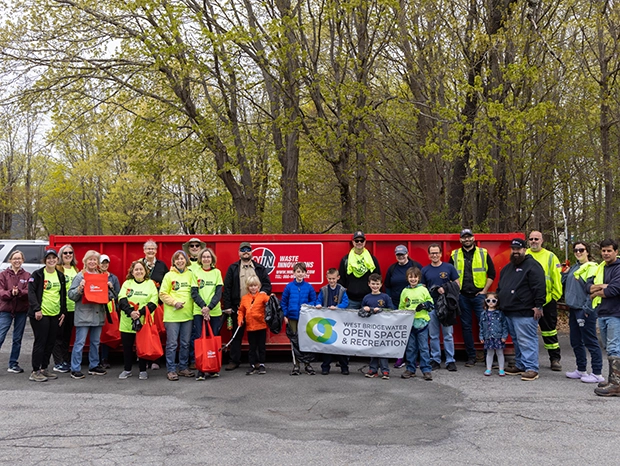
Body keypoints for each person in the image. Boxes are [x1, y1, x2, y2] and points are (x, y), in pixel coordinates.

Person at [498, 238, 546, 381]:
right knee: (517, 341)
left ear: (525, 249)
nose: (516, 252)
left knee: (527, 340)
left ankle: (532, 368)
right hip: (509, 310)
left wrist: (539, 305)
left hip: (525, 311)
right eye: (513, 249)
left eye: (518, 249)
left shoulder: (532, 266)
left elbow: (539, 287)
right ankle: (520, 365)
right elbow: (501, 287)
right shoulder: (508, 268)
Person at [222, 241, 272, 371]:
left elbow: (267, 284)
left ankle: (256, 362)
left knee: (255, 338)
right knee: (236, 335)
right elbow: (227, 288)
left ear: (251, 252)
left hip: (257, 310)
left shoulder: (259, 268)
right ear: (239, 253)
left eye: (248, 249)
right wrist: (227, 306)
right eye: (243, 249)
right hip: (238, 307)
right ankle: (234, 360)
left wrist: (262, 293)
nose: (245, 252)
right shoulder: (233, 268)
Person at [449, 229, 496, 367]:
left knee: (486, 325)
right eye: (464, 237)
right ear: (460, 240)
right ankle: (471, 357)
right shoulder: (454, 254)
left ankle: (489, 356)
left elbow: (492, 273)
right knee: (466, 326)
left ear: (473, 238)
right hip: (462, 296)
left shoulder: (483, 253)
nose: (467, 239)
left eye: (469, 237)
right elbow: (449, 275)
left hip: (479, 296)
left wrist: (484, 291)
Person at [69, 250, 115, 379]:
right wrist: (79, 289)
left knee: (95, 342)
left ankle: (94, 365)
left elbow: (111, 296)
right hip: (83, 315)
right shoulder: (80, 276)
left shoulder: (103, 276)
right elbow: (71, 295)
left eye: (95, 260)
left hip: (98, 314)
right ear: (85, 261)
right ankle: (75, 368)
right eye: (90, 259)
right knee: (80, 343)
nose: (92, 262)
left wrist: (109, 288)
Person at [562, 242, 602, 383]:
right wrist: (565, 274)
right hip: (573, 308)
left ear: (587, 251)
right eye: (576, 250)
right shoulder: (575, 267)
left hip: (584, 309)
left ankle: (597, 373)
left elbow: (594, 290)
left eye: (581, 250)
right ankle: (581, 369)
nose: (578, 252)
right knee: (575, 341)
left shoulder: (592, 267)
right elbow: (566, 285)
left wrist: (588, 308)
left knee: (590, 340)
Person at [27, 249, 67, 382]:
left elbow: (62, 295)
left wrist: (63, 312)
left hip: (55, 314)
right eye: (48, 258)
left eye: (53, 258)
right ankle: (35, 371)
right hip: (41, 314)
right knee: (41, 342)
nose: (51, 260)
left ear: (57, 260)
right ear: (45, 260)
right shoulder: (38, 274)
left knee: (51, 342)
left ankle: (44, 368)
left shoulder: (60, 275)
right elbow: (31, 293)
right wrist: (37, 309)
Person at [587, 239, 620, 396]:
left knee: (614, 347)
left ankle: (616, 384)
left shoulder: (618, 268)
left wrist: (597, 291)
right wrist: (600, 288)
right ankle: (613, 378)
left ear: (616, 252)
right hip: (603, 312)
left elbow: (613, 290)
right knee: (608, 347)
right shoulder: (600, 268)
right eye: (603, 251)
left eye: (609, 251)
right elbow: (588, 285)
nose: (606, 253)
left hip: (616, 313)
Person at [526, 230, 563, 371]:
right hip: (528, 302)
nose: (534, 241)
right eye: (531, 239)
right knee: (527, 333)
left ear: (542, 240)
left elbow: (557, 278)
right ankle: (528, 361)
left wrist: (555, 296)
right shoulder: (525, 255)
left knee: (550, 331)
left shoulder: (550, 256)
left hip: (547, 301)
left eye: (537, 239)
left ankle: (555, 359)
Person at [117, 260, 158, 380]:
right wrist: (131, 312)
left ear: (145, 271)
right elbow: (121, 299)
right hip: (127, 322)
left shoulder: (150, 284)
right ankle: (127, 369)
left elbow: (154, 302)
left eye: (141, 269)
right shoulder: (127, 283)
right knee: (127, 347)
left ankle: (143, 370)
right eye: (136, 269)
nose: (139, 271)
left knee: (142, 347)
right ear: (132, 271)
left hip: (143, 322)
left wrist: (140, 313)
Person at [421, 243, 459, 371]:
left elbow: (457, 284)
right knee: (433, 335)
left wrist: (446, 289)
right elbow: (422, 288)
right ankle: (435, 359)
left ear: (441, 254)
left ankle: (450, 360)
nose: (434, 255)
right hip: (432, 306)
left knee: (448, 334)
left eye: (436, 252)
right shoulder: (425, 270)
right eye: (432, 253)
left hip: (447, 306)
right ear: (429, 255)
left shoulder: (449, 267)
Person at [159, 250, 195, 381]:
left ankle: (183, 367)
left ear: (186, 260)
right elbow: (162, 294)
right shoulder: (169, 276)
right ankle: (171, 369)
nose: (180, 261)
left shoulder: (191, 275)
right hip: (172, 316)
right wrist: (174, 303)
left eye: (182, 258)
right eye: (177, 259)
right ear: (173, 262)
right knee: (172, 344)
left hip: (188, 315)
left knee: (185, 343)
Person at [384, 244, 422, 369]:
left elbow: (422, 283)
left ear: (407, 254)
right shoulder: (392, 269)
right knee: (399, 333)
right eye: (398, 255)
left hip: (413, 305)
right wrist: (389, 299)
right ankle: (399, 357)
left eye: (402, 254)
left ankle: (413, 359)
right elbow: (387, 285)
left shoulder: (415, 266)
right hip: (396, 304)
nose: (400, 256)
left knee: (413, 333)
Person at [191, 247, 224, 380]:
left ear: (212, 259)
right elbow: (194, 293)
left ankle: (213, 368)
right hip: (199, 312)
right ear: (200, 259)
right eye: (203, 257)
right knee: (200, 339)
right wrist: (203, 307)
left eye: (208, 257)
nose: (206, 259)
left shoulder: (217, 272)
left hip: (214, 312)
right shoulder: (195, 272)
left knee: (213, 339)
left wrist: (209, 307)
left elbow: (218, 293)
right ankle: (201, 369)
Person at [282, 262, 317, 375]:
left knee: (306, 340)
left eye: (302, 272)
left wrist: (307, 306)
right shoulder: (289, 287)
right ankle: (296, 365)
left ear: (305, 273)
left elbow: (314, 301)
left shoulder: (309, 287)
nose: (300, 274)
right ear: (294, 273)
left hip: (305, 318)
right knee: (294, 341)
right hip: (292, 318)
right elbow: (284, 302)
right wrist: (285, 315)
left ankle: (307, 365)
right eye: (298, 272)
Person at [399, 267, 434, 381]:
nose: (413, 279)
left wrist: (425, 305)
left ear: (419, 278)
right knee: (410, 348)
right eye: (410, 277)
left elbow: (431, 303)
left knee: (423, 347)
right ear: (407, 278)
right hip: (410, 323)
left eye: (415, 277)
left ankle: (426, 369)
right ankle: (410, 368)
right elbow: (401, 307)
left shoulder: (423, 290)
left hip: (422, 323)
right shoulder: (405, 291)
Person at [0, 250, 31, 374]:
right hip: (6, 310)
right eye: (14, 258)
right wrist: (10, 293)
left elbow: (29, 292)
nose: (17, 260)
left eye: (19, 258)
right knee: (1, 336)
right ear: (10, 260)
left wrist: (19, 292)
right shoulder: (3, 275)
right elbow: (1, 292)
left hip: (21, 311)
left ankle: (13, 364)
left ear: (22, 260)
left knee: (17, 338)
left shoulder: (27, 275)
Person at [314, 268, 350, 375]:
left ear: (338, 278)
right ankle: (325, 367)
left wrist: (338, 307)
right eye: (329, 279)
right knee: (327, 345)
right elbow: (318, 300)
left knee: (340, 345)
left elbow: (346, 302)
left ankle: (344, 366)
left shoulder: (342, 290)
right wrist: (318, 304)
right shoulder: (323, 289)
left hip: (339, 321)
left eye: (333, 278)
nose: (331, 281)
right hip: (327, 321)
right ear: (326, 278)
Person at [51, 244, 79, 373]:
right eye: (65, 253)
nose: (68, 255)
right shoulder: (58, 269)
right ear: (61, 255)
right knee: (58, 335)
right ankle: (58, 362)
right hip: (61, 308)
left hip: (74, 308)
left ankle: (65, 360)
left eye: (70, 253)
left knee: (68, 336)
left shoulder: (76, 269)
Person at [362, 273, 395, 380]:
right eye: (373, 284)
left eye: (377, 284)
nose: (375, 286)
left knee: (383, 350)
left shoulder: (385, 297)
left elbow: (391, 310)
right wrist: (364, 309)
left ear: (381, 284)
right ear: (368, 284)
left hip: (383, 328)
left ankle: (385, 370)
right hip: (371, 329)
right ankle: (373, 369)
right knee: (373, 349)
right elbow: (361, 312)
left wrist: (381, 310)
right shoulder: (366, 297)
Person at [338, 231, 381, 309]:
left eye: (361, 240)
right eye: (356, 240)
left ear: (365, 242)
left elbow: (378, 277)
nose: (359, 242)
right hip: (351, 300)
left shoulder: (372, 260)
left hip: (369, 299)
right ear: (353, 242)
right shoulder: (346, 260)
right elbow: (341, 280)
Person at [238, 276, 270, 375]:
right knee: (252, 347)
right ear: (248, 287)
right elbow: (241, 311)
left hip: (261, 326)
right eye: (251, 286)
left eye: (255, 285)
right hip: (250, 327)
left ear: (259, 286)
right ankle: (252, 364)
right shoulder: (244, 298)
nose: (253, 288)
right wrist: (240, 320)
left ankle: (262, 364)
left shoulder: (263, 296)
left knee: (261, 346)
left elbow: (271, 304)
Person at [99, 254, 121, 369]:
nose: (104, 265)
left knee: (109, 332)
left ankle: (107, 357)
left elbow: (118, 295)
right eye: (102, 262)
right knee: (99, 334)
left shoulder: (113, 278)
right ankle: (102, 358)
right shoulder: (95, 276)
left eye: (106, 263)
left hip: (110, 308)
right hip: (98, 308)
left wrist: (111, 288)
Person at [479, 292, 508, 376]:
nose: (491, 302)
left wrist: (504, 336)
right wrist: (481, 336)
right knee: (489, 353)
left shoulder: (500, 313)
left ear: (497, 302)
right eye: (488, 300)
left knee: (500, 353)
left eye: (493, 301)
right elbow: (481, 325)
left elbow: (504, 325)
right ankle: (488, 369)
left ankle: (501, 369)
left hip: (498, 336)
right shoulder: (483, 314)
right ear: (485, 301)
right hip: (488, 336)